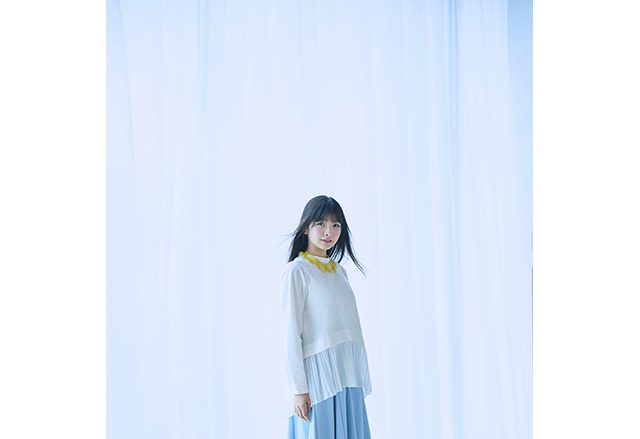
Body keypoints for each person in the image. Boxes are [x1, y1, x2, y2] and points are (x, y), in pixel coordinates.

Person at [282, 195, 372, 438]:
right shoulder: (297, 271)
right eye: (321, 223)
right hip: (319, 380)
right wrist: (299, 389)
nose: (328, 231)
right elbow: (291, 333)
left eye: (335, 224)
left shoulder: (340, 272)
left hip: (347, 375)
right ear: (306, 227)